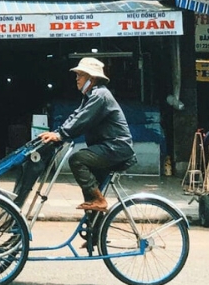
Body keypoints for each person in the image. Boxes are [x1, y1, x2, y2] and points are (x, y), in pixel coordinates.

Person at [39, 57, 136, 212]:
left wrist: (61, 135)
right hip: (107, 147)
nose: (76, 79)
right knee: (89, 198)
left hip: (115, 147)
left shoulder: (100, 95)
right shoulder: (91, 96)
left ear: (91, 78)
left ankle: (99, 200)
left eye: (80, 75)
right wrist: (57, 133)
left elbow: (82, 120)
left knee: (77, 159)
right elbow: (76, 115)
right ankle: (95, 230)